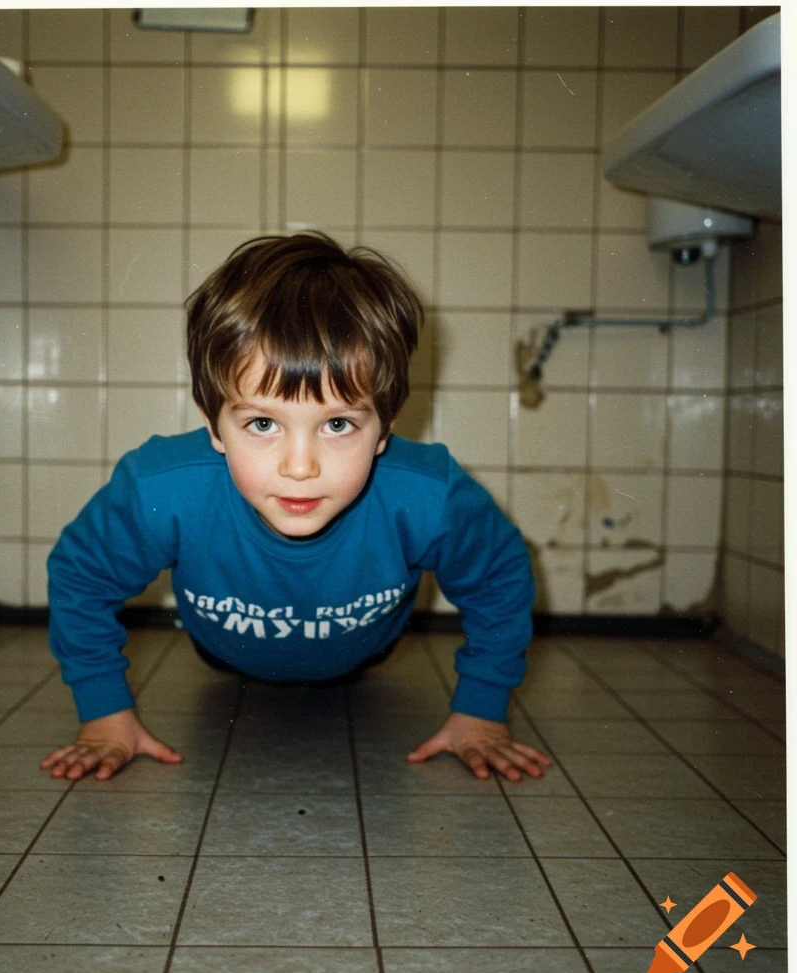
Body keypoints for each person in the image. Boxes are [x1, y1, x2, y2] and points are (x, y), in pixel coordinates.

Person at [41, 232, 551, 784]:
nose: (300, 466)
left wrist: (480, 711)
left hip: (365, 655)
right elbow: (82, 576)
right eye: (263, 424)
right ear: (213, 423)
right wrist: (103, 716)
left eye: (338, 424)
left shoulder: (429, 494)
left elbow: (499, 578)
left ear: (386, 425)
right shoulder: (162, 488)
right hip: (224, 656)